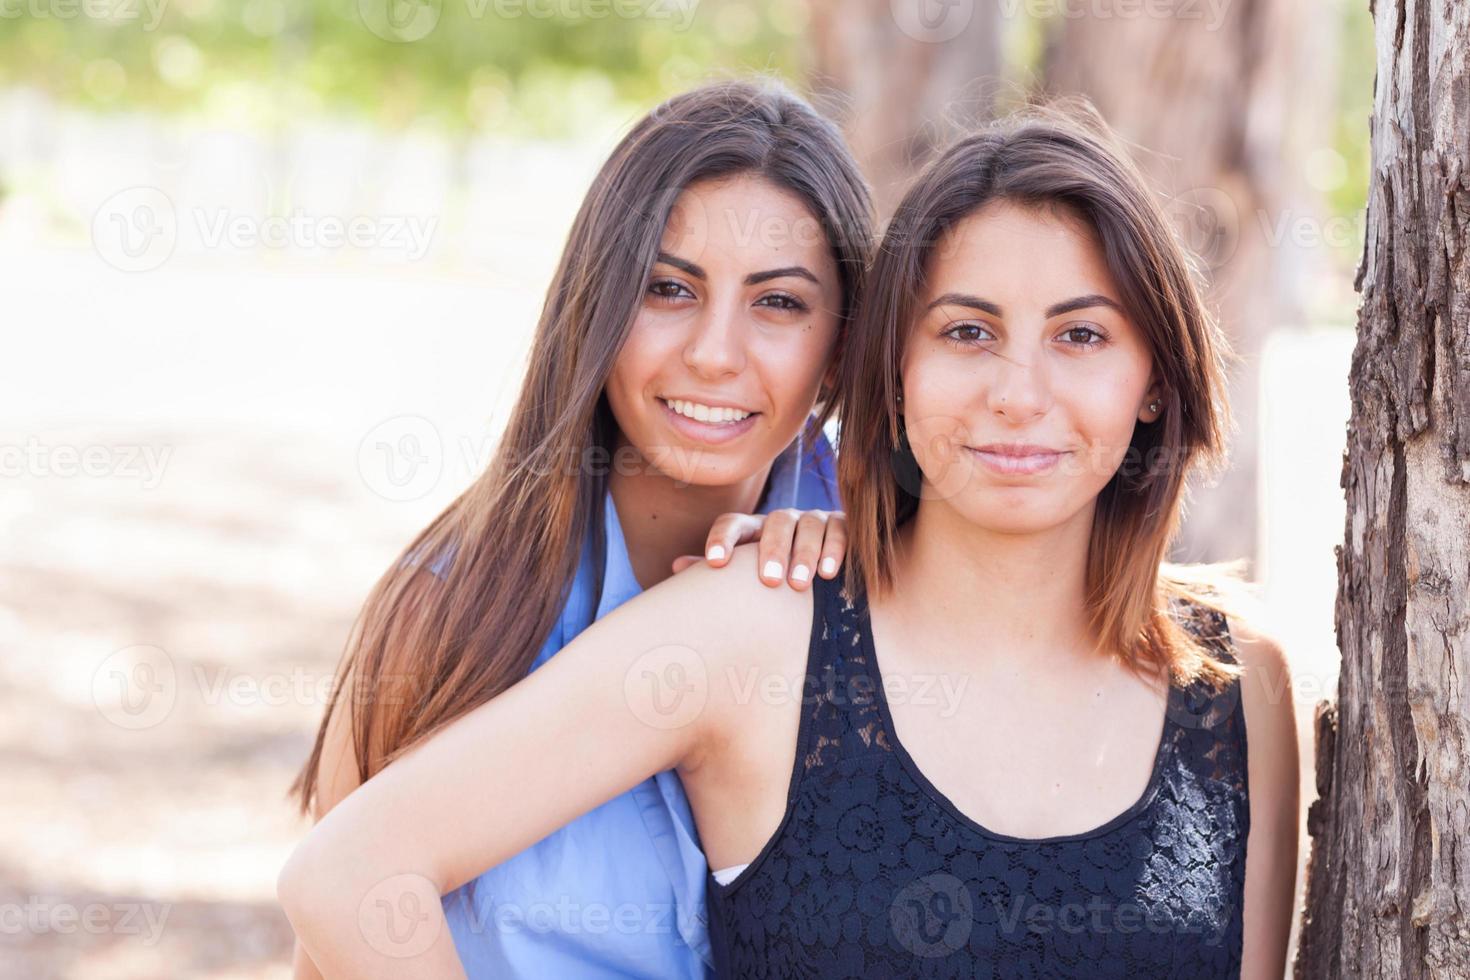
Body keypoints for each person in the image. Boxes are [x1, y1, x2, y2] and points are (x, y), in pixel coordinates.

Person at [279, 101, 1300, 979]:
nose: (1017, 392)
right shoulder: (734, 615)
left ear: (1156, 377)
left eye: (1082, 334)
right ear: (892, 372)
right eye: (966, 331)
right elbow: (347, 876)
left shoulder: (1237, 678)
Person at [287, 78, 874, 979]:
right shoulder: (451, 607)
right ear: (595, 306)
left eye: (779, 303)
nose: (715, 353)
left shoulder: (892, 570)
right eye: (669, 288)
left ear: (842, 342)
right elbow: (332, 943)